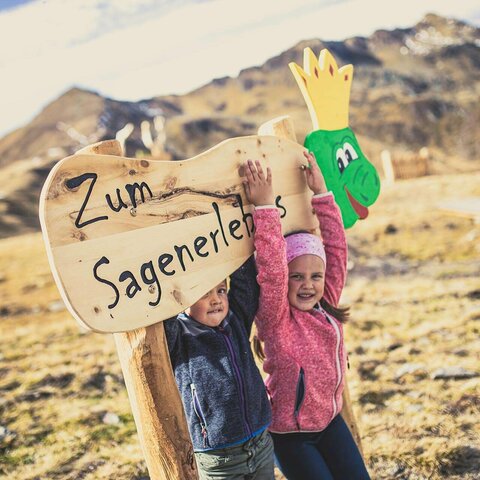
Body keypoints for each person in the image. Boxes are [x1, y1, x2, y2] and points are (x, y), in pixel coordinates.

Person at [242, 155, 370, 480]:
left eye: (315, 276)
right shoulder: (276, 318)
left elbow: (336, 249)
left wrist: (322, 193)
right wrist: (264, 206)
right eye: (297, 276)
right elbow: (272, 269)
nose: (308, 285)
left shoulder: (326, 304)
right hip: (291, 437)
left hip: (331, 423)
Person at [163, 256, 274, 480]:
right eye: (204, 293)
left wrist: (231, 248)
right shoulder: (179, 337)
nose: (216, 300)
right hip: (218, 458)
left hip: (261, 444)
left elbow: (245, 282)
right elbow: (165, 303)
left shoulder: (236, 320)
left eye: (221, 290)